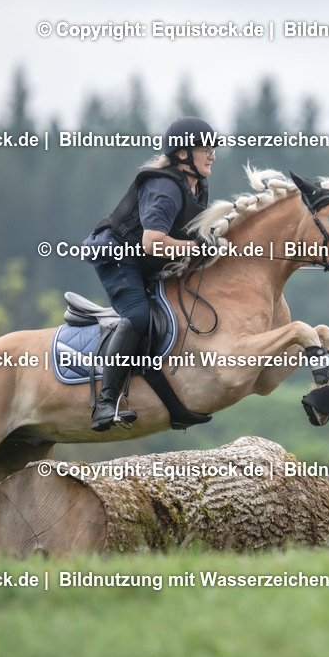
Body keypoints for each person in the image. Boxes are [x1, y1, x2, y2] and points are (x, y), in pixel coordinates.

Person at [82, 117, 217, 431]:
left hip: (147, 262)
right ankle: (106, 402)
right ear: (183, 154)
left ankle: (171, 403)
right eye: (206, 148)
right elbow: (153, 241)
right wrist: (195, 248)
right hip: (118, 255)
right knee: (139, 317)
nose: (212, 155)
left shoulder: (197, 186)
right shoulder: (165, 186)